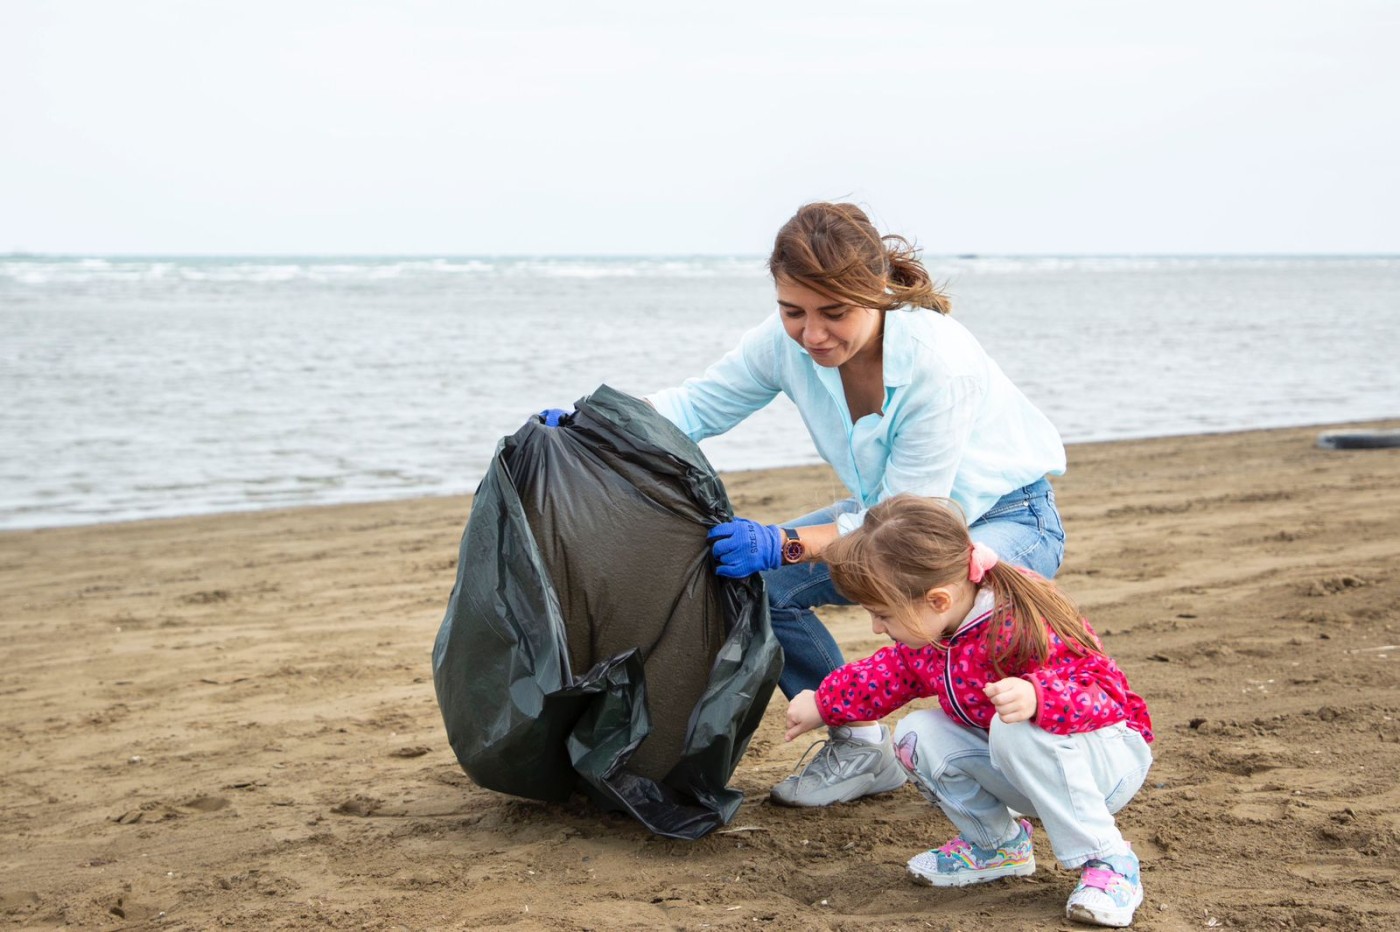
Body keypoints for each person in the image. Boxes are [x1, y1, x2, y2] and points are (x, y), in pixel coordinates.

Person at [542, 202, 1067, 806]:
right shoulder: (783, 343)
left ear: (874, 293)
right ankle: (861, 745)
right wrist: (596, 422)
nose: (812, 335)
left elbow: (910, 523)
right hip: (883, 515)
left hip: (1001, 518)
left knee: (959, 624)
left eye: (834, 313)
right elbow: (694, 409)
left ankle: (1017, 774)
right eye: (793, 312)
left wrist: (782, 542)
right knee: (760, 588)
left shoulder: (938, 364)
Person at [784, 494, 1153, 928]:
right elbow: (883, 675)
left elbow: (1107, 695)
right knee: (915, 733)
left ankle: (1109, 861)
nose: (876, 628)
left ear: (938, 600)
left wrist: (1039, 695)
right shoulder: (935, 633)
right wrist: (824, 704)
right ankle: (997, 847)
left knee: (1016, 727)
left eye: (882, 614)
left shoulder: (1020, 622)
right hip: (1028, 773)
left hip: (1103, 765)